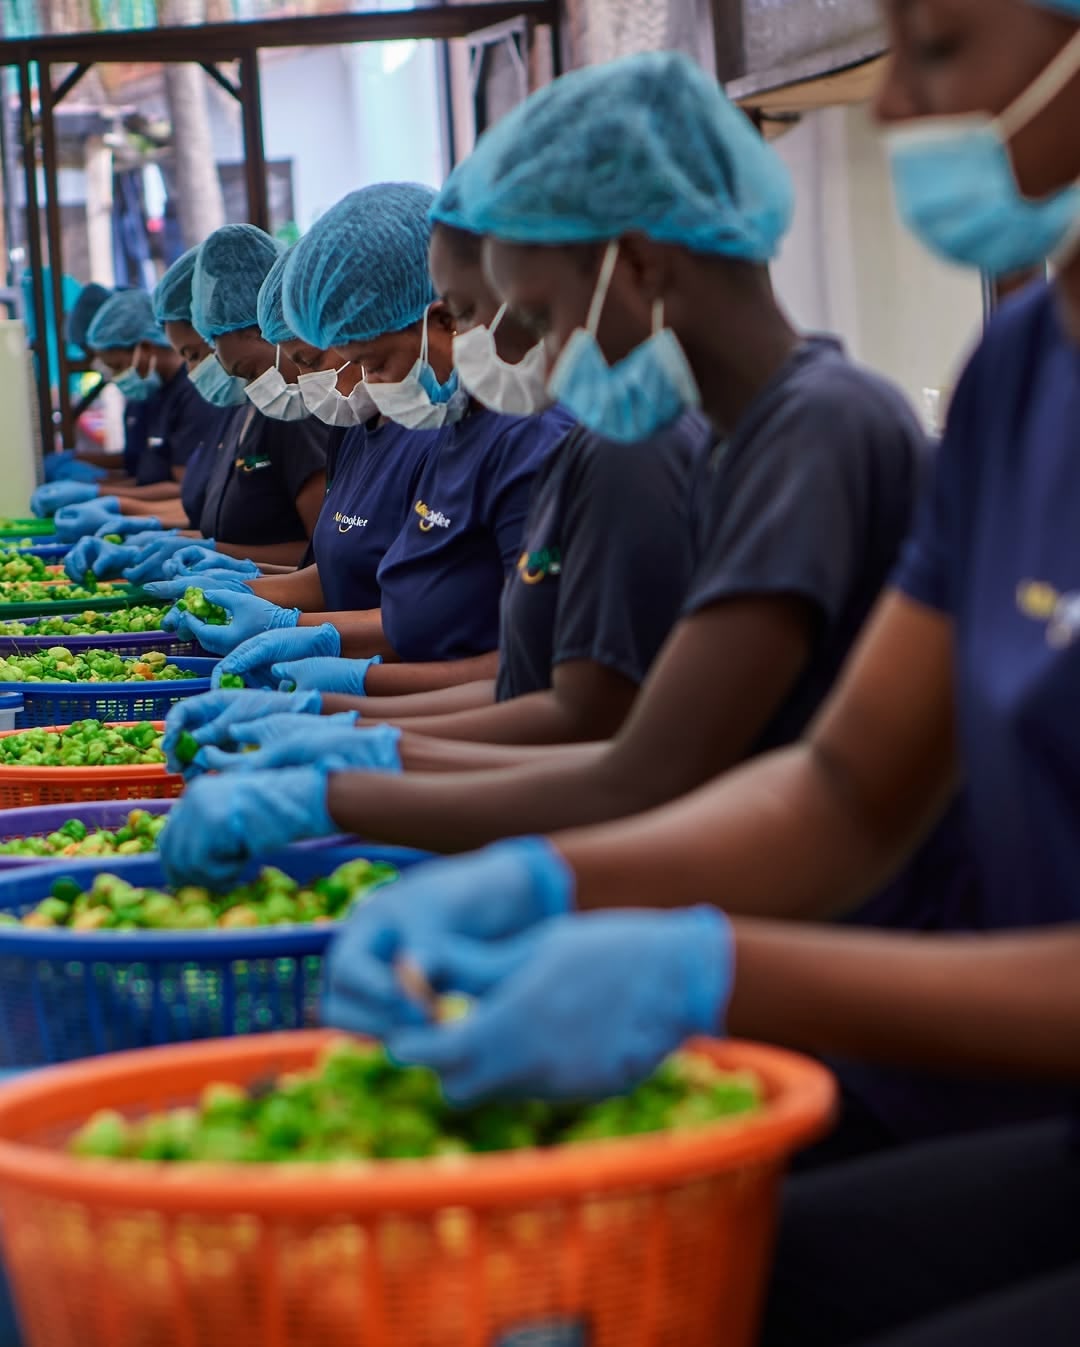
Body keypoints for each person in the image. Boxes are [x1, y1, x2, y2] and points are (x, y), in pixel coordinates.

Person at [199, 11, 1080, 1346]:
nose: (893, 107)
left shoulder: (814, 434)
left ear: (639, 263)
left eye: (942, 47)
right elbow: (843, 784)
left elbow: (635, 745)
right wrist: (553, 882)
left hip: (949, 1042)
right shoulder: (1017, 374)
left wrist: (700, 963)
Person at [203, 183, 709, 748]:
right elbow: (519, 671)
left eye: (469, 312)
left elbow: (579, 714)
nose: (364, 382)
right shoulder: (451, 428)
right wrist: (336, 690)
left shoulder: (572, 439)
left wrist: (360, 723)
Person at [159, 182, 572, 695]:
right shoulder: (446, 429)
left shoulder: (527, 439)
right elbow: (401, 601)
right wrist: (258, 598)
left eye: (371, 363)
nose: (365, 382)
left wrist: (361, 701)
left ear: (444, 319)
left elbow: (537, 680)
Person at [31, 288, 223, 533]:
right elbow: (144, 469)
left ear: (144, 347)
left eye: (118, 366)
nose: (116, 378)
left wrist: (106, 497)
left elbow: (186, 491)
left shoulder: (194, 394)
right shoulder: (152, 393)